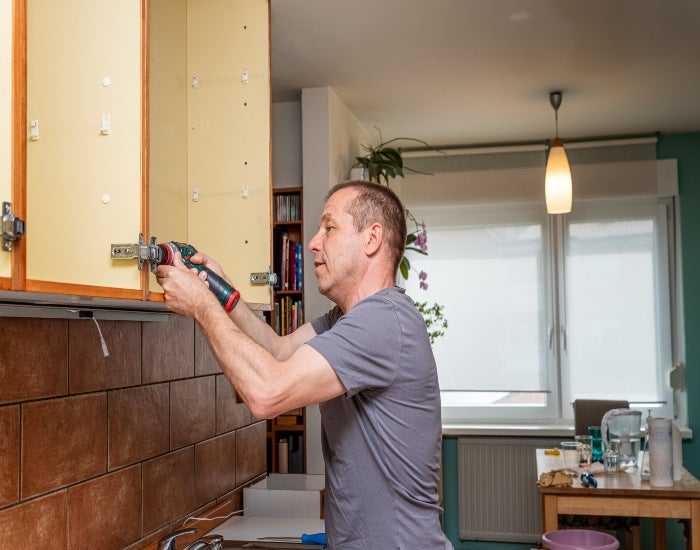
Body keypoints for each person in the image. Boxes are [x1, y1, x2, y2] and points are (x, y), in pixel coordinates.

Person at [156, 180, 452, 549]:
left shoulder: (383, 321)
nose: (313, 242)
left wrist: (202, 306)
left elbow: (268, 393)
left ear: (371, 238)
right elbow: (279, 351)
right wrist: (221, 290)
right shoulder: (347, 319)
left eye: (329, 228)